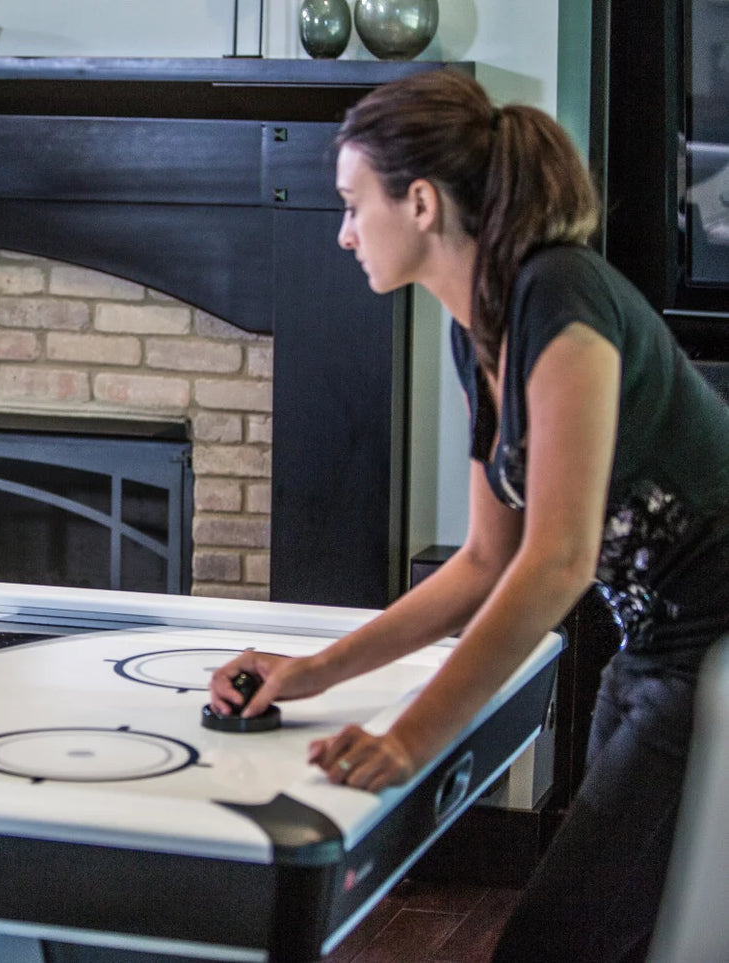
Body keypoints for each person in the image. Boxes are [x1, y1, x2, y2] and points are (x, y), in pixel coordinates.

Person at [208, 70, 729, 963]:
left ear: (417, 202)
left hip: (710, 644)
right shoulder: (475, 328)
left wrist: (408, 739)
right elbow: (487, 559)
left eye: (349, 202)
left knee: (557, 943)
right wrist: (314, 670)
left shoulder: (555, 293)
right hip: (656, 641)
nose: (339, 232)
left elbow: (556, 562)